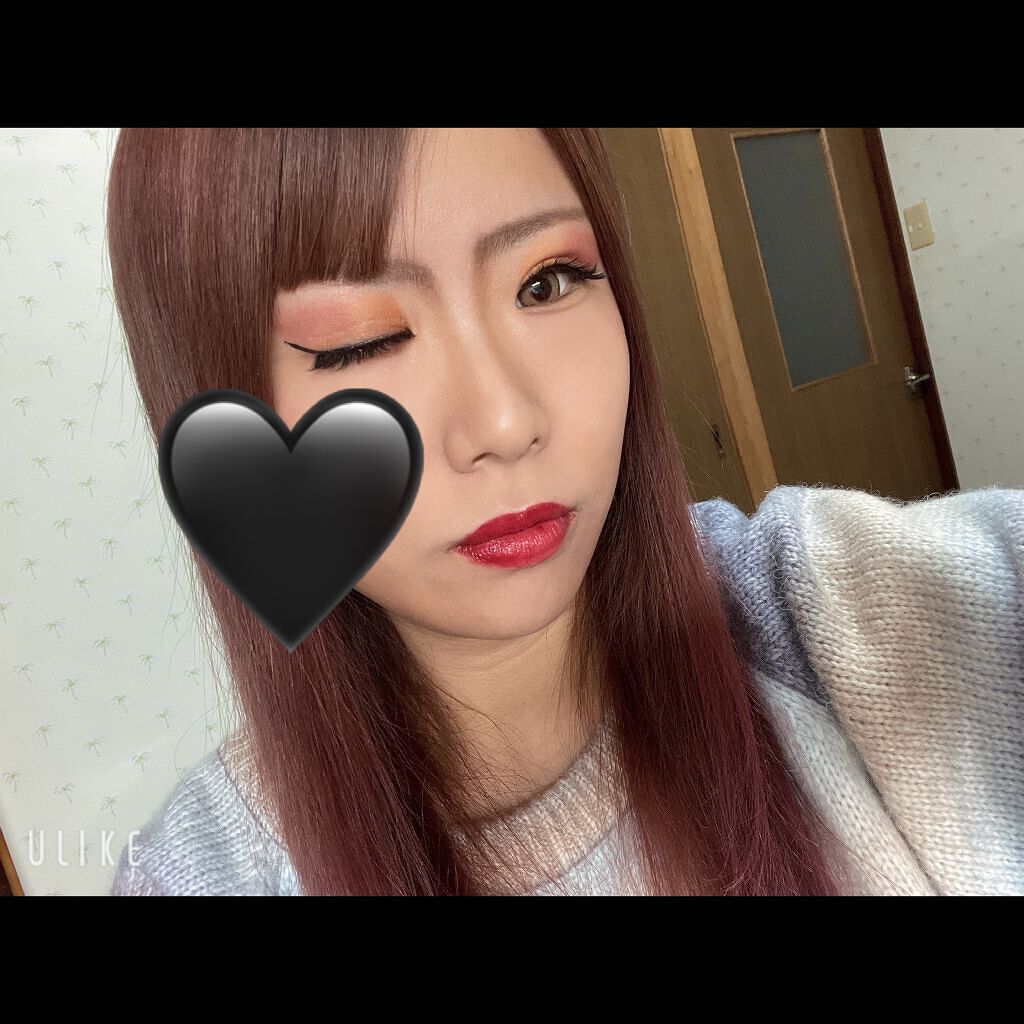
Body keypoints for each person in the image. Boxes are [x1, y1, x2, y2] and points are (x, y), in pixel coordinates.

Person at [105, 128, 1024, 896]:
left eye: (546, 282)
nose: (506, 424)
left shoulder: (829, 614)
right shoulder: (205, 876)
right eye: (363, 343)